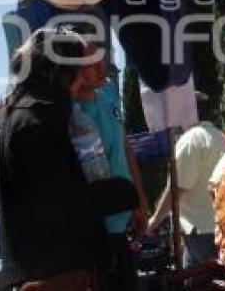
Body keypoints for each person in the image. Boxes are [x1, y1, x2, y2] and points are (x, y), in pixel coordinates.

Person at [0, 27, 115, 289]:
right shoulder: (39, 122)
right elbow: (60, 206)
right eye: (78, 73)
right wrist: (115, 194)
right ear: (62, 73)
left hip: (45, 272)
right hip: (56, 275)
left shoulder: (24, 114)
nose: (78, 85)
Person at [73, 60, 148, 291]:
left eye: (102, 60)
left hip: (121, 219)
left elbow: (125, 146)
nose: (102, 68)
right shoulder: (68, 109)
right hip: (92, 230)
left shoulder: (107, 91)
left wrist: (140, 200)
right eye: (92, 63)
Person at [147, 94, 225, 268]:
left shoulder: (190, 140)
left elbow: (175, 189)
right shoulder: (221, 137)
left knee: (197, 282)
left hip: (199, 232)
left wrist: (153, 221)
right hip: (220, 227)